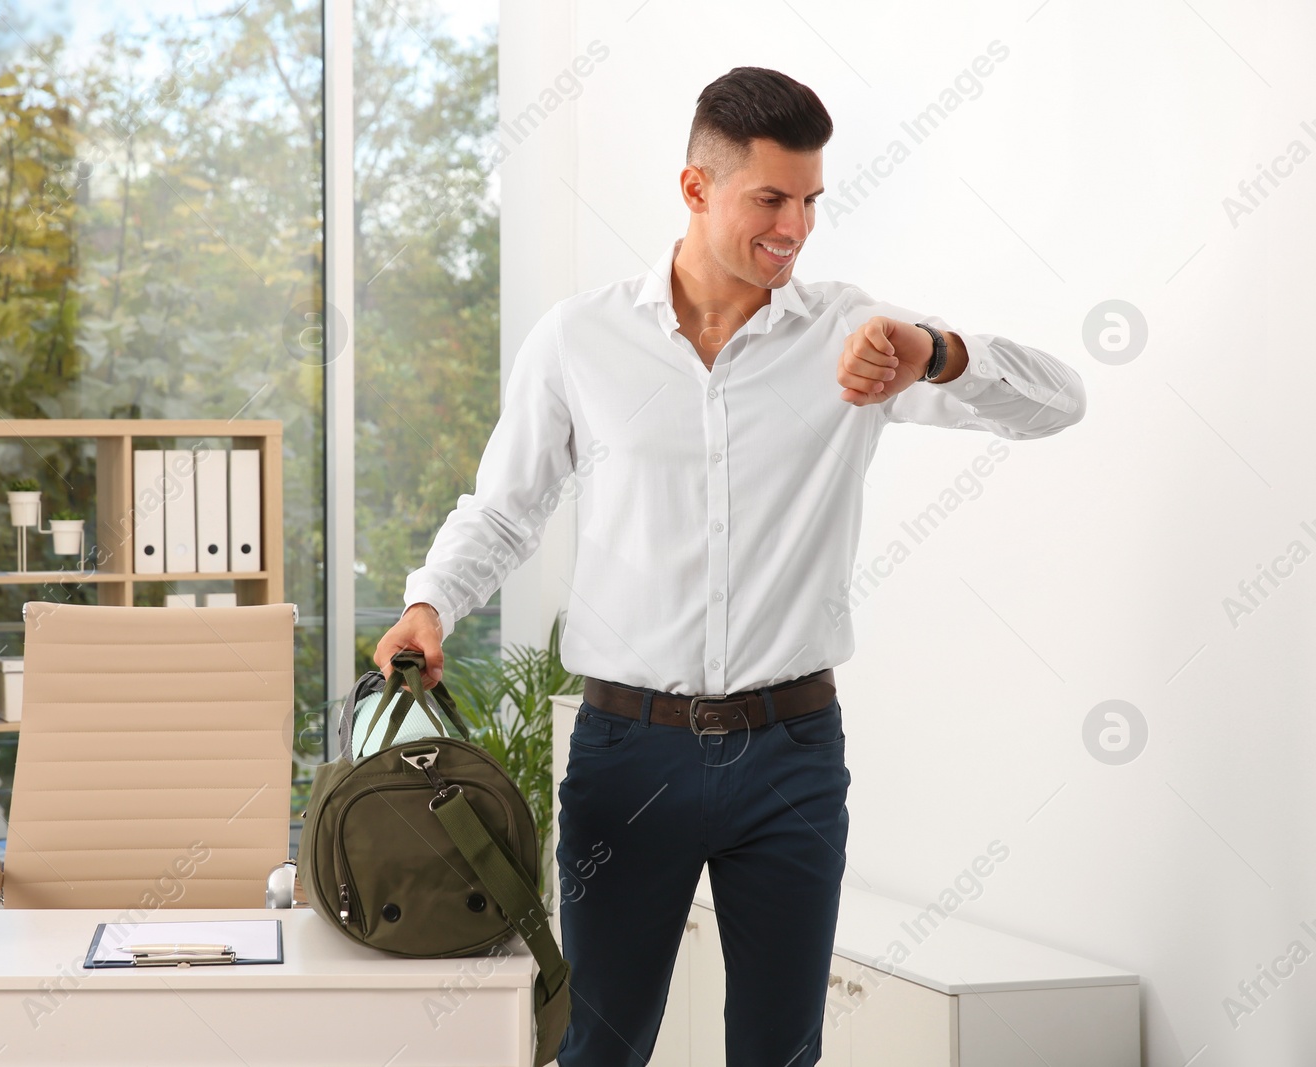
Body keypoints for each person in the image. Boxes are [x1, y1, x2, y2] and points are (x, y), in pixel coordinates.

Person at [373, 65, 1086, 1067]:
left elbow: (1058, 404)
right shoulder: (581, 338)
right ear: (696, 188)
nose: (794, 225)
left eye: (809, 201)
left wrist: (932, 350)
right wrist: (430, 602)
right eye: (770, 198)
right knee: (600, 1046)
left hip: (789, 752)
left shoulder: (858, 337)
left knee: (778, 1052)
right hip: (627, 752)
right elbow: (504, 507)